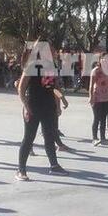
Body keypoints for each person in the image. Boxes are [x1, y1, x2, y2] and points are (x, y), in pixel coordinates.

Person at [15, 40, 69, 181]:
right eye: (51, 49)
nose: (54, 51)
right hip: (33, 106)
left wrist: (60, 101)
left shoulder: (51, 66)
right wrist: (26, 106)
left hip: (48, 106)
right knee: (29, 138)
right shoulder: (32, 65)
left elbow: (53, 88)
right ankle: (21, 170)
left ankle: (54, 166)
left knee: (49, 136)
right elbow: (21, 88)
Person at [89, 53, 108, 146]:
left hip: (106, 97)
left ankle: (103, 138)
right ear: (100, 60)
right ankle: (94, 138)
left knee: (103, 118)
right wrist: (91, 97)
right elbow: (91, 85)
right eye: (103, 59)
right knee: (97, 118)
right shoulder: (95, 71)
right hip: (97, 97)